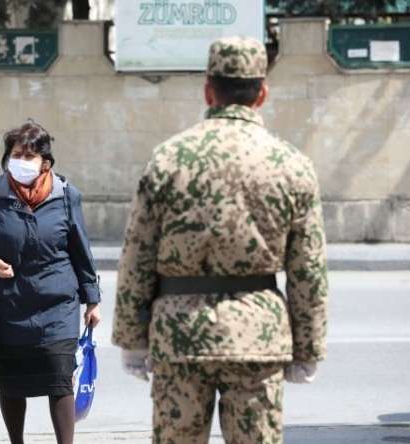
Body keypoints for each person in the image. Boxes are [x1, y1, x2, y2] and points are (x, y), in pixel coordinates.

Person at [111, 37, 329, 444]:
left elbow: (137, 254)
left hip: (179, 336)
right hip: (258, 340)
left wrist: (131, 338)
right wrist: (309, 348)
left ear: (208, 89)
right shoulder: (291, 164)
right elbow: (308, 268)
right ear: (261, 93)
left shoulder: (169, 158)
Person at [0, 121, 102, 444]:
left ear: (45, 162)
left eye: (28, 155)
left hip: (58, 309)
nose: (20, 162)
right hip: (8, 310)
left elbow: (82, 251)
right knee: (11, 384)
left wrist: (92, 300)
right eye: (14, 155)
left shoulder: (67, 197)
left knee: (60, 379)